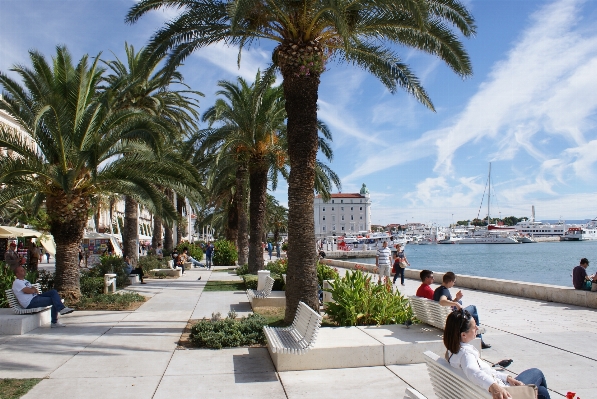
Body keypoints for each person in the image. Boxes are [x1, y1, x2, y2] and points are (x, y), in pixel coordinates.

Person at [444, 309, 550, 399]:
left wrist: (507, 377)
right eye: (474, 327)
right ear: (463, 335)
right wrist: (494, 387)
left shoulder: (452, 352)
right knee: (538, 375)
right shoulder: (466, 355)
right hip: (504, 393)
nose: (477, 328)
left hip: (488, 390)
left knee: (540, 390)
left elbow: (483, 372)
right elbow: (473, 372)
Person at [434, 271, 491, 349]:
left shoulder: (437, 290)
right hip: (452, 318)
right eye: (454, 282)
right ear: (450, 281)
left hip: (442, 317)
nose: (454, 284)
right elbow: (442, 301)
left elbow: (445, 305)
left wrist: (457, 299)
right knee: (473, 308)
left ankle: (477, 336)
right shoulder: (444, 290)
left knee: (461, 303)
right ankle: (479, 338)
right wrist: (456, 304)